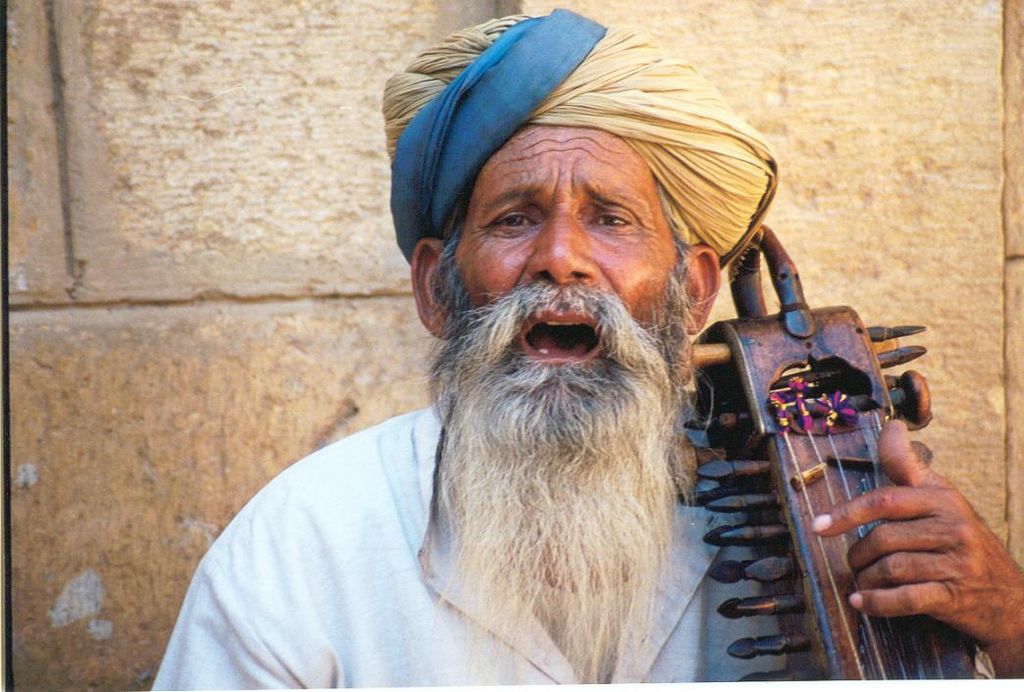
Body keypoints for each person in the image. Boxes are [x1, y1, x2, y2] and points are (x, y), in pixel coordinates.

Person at [154, 10, 1024, 687]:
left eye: (611, 220)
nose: (560, 257)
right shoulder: (303, 547)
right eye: (513, 218)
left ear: (691, 290)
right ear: (434, 289)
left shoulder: (822, 503)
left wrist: (1010, 622)